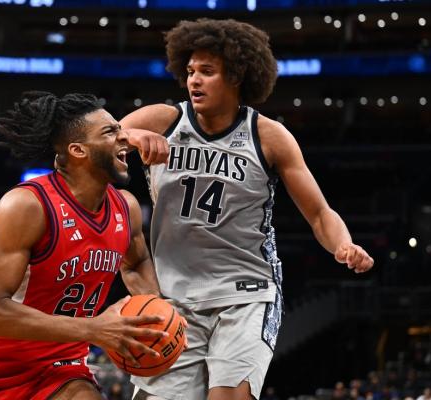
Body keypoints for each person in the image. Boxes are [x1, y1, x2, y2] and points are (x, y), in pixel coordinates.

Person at [121, 18, 375, 400]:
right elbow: (93, 142)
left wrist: (344, 245)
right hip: (172, 296)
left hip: (246, 292)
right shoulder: (162, 120)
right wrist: (128, 135)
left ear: (237, 76)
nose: (194, 81)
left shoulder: (268, 136)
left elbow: (320, 213)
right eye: (190, 71)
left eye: (207, 71)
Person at [0, 92, 169, 400]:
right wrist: (94, 329)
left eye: (120, 129)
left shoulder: (125, 208)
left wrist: (156, 311)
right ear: (78, 150)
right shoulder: (28, 206)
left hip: (63, 367)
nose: (125, 138)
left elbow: (137, 262)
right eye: (110, 132)